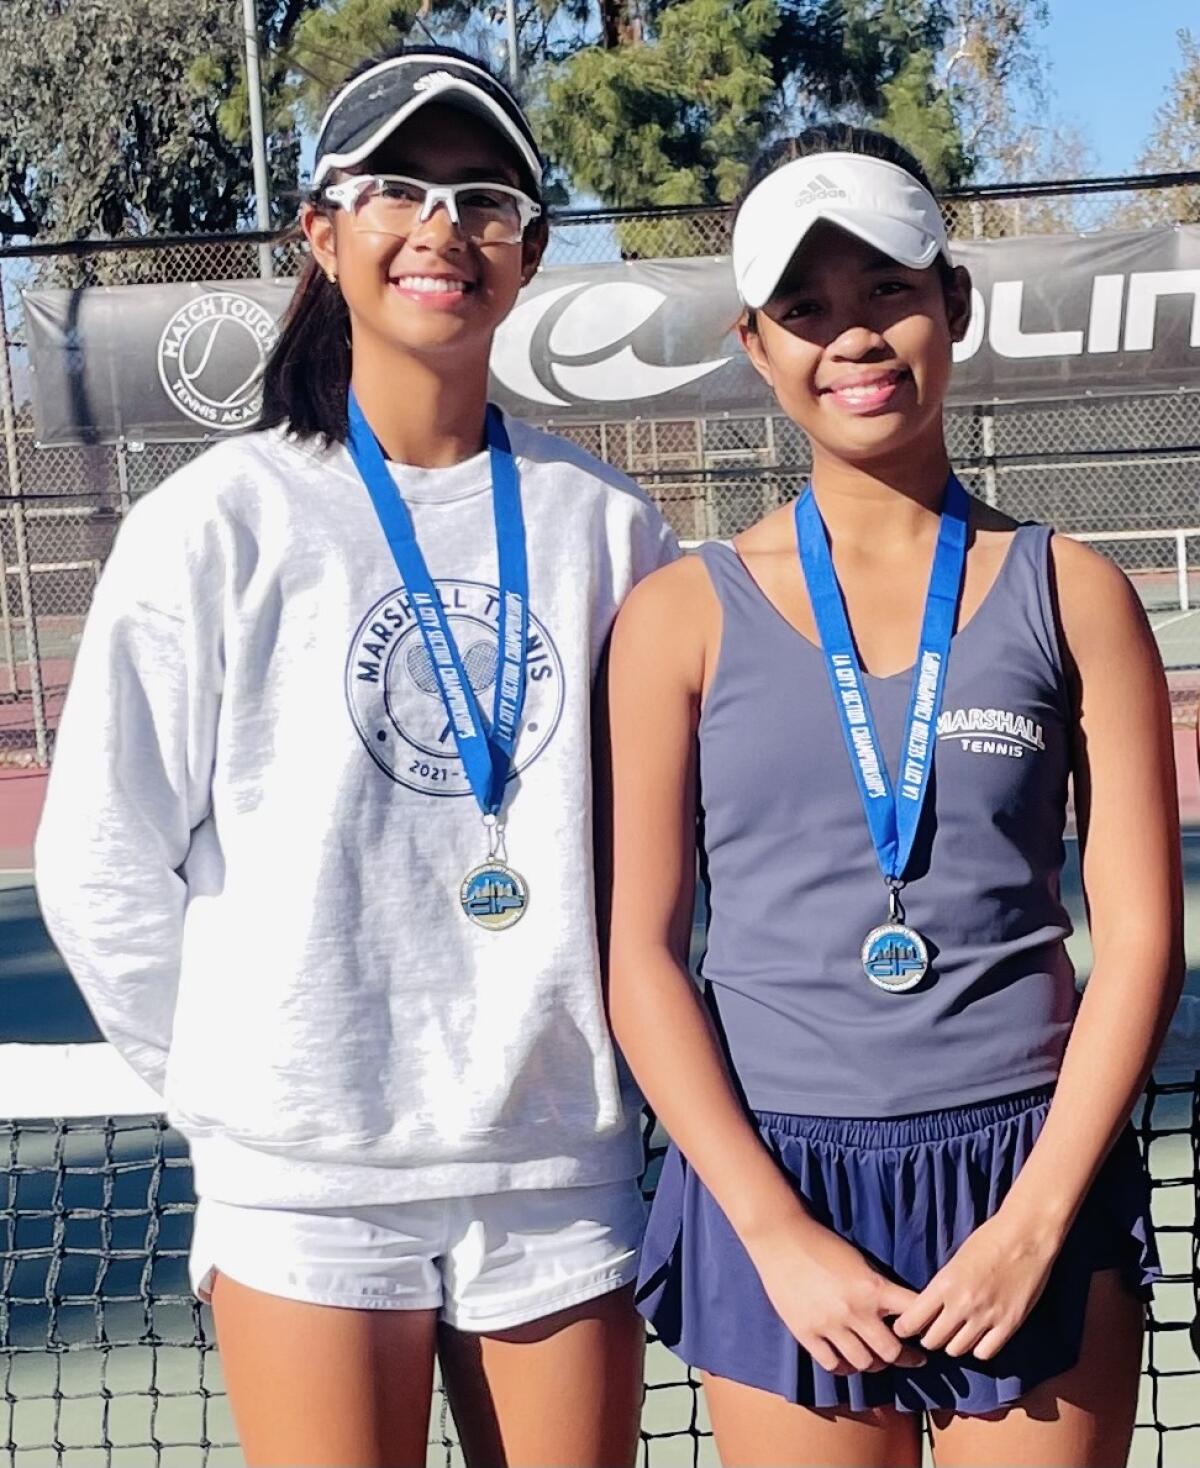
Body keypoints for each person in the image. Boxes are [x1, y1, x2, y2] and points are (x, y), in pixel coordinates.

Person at [35, 43, 677, 1468]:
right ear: (320, 233)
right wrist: (245, 1091)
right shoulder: (212, 525)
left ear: (528, 254)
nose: (444, 226)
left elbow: (670, 844)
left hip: (554, 1170)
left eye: (485, 197)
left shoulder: (611, 526)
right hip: (303, 1189)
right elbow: (97, 862)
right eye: (398, 187)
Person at [602, 125, 1182, 1468]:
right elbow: (642, 957)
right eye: (807, 309)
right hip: (778, 1192)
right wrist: (774, 1232)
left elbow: (1141, 933)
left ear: (954, 305)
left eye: (888, 294)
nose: (853, 338)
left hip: (1027, 1180)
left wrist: (1036, 1220)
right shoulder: (677, 619)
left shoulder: (1077, 595)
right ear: (756, 347)